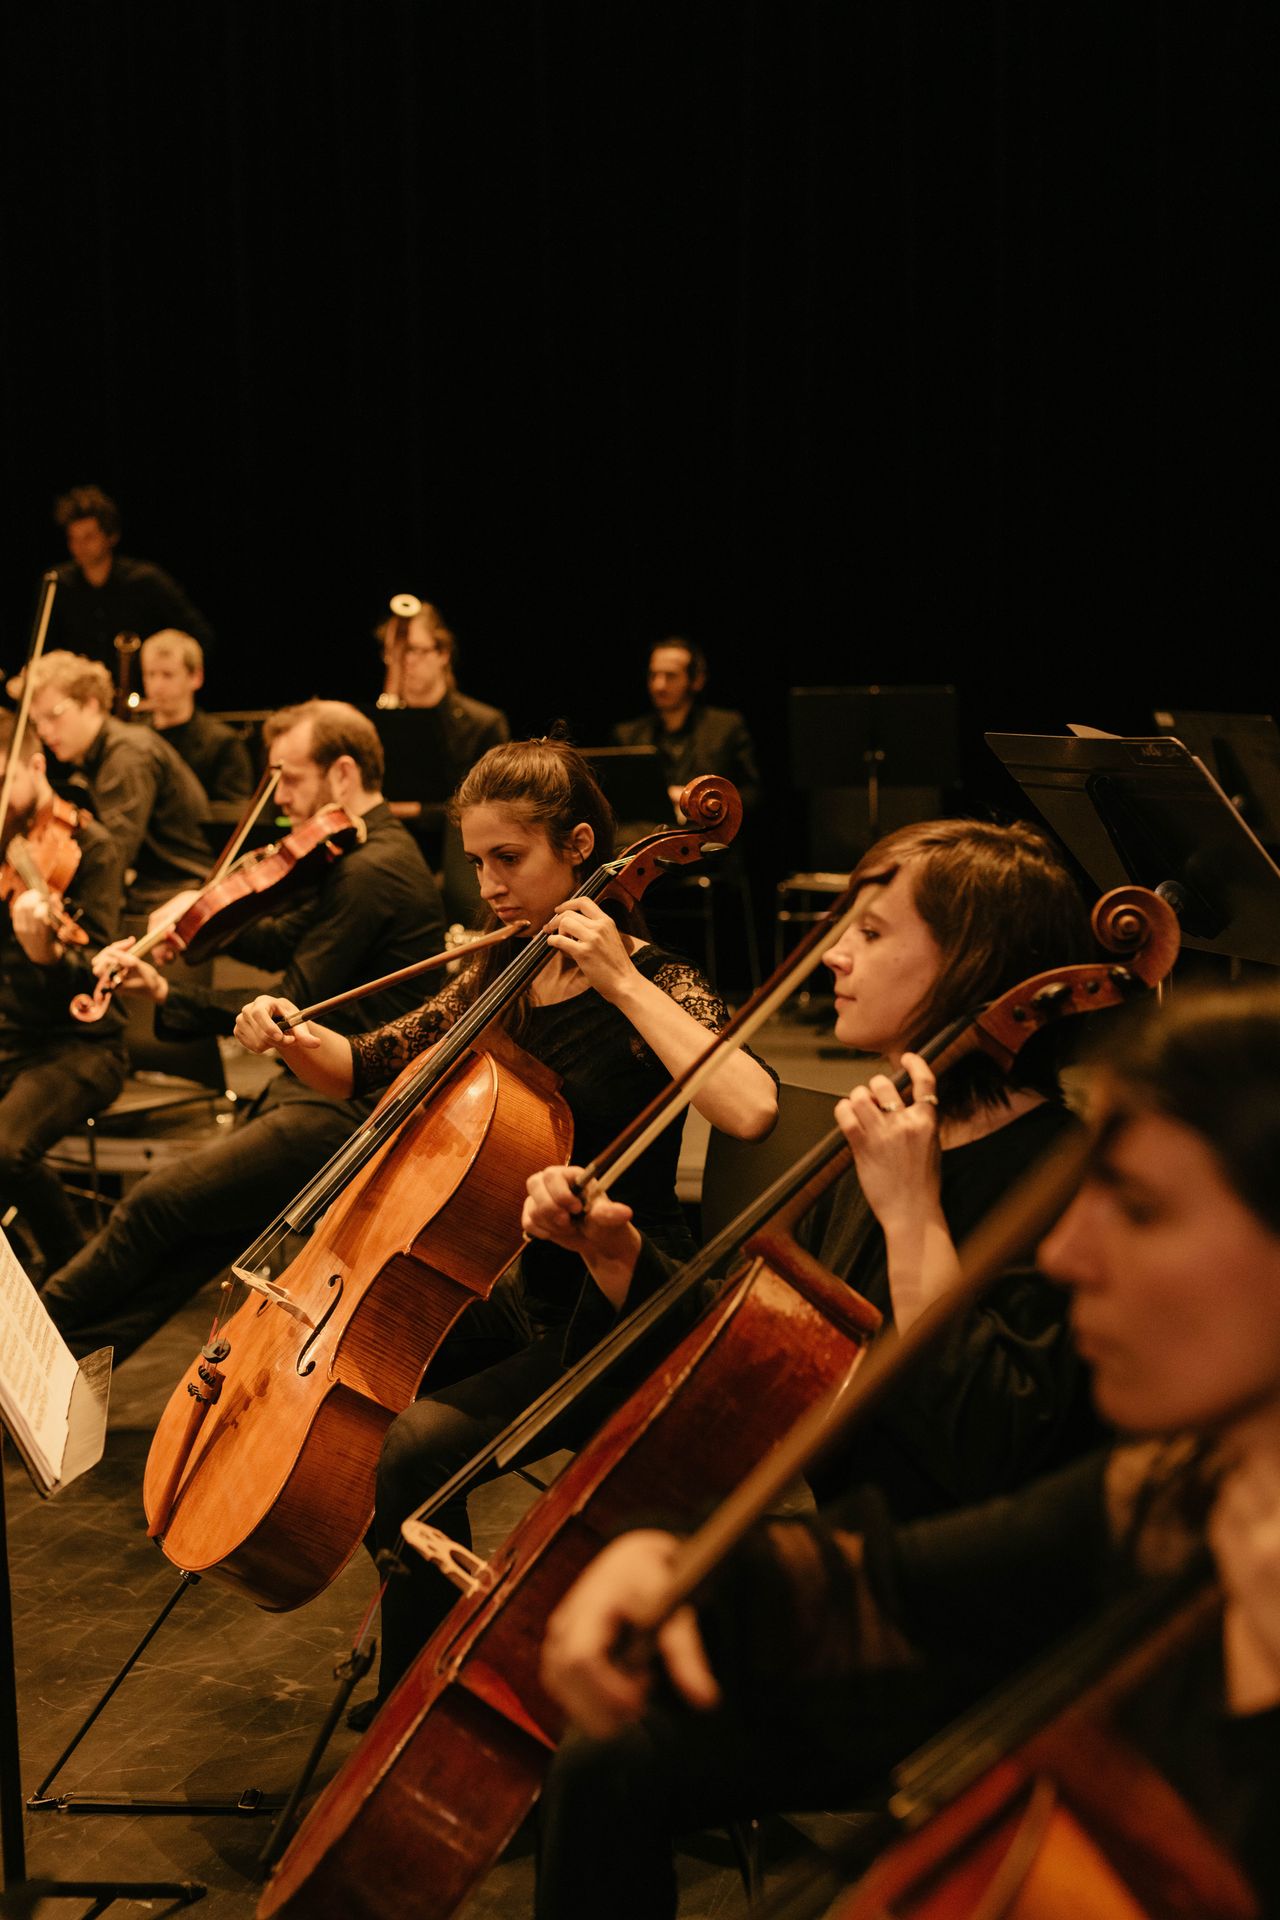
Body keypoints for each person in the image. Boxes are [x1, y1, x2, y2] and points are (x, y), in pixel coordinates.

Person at [535, 984, 1280, 1919]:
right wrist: (667, 1560)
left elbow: (981, 1448)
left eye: (1137, 1210)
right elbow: (905, 1580)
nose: (1066, 1256)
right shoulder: (1184, 1491)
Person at [232, 738, 780, 1723]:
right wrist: (286, 1032)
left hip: (626, 1304)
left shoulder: (655, 977)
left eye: (507, 860)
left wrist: (619, 978)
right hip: (526, 1292)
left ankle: (436, 1699)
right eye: (475, 861)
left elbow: (750, 1105)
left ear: (578, 848)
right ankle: (436, 1648)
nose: (485, 884)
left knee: (412, 1451)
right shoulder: (505, 977)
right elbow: (368, 1066)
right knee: (356, 1403)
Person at [525, 818, 1106, 1529]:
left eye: (872, 933)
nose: (834, 955)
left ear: (971, 962)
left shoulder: (1062, 1176)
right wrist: (614, 1253)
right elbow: (763, 1349)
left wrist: (911, 1216)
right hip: (854, 1548)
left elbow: (990, 1449)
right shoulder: (885, 1121)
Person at [40, 700, 446, 1363]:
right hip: (317, 1098)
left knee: (153, 1205)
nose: (280, 803)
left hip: (345, 1111)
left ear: (343, 775)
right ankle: (57, 1376)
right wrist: (192, 918)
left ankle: (17, 1348)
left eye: (290, 781)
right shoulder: (355, 856)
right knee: (189, 1244)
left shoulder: (375, 872)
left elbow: (294, 1005)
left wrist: (175, 990)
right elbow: (287, 936)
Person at [0, 713, 127, 1276]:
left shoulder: (92, 846)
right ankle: (18, 1269)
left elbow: (97, 972)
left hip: (81, 1044)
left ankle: (79, 1279)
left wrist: (47, 956)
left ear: (35, 765)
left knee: (3, 1151)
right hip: (10, 1037)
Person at [27, 651, 212, 915]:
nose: (44, 731)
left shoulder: (129, 755)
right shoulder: (87, 763)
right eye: (37, 722)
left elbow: (112, 857)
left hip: (176, 895)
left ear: (90, 704)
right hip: (148, 891)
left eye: (53, 715)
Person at [371, 597, 509, 890]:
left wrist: (408, 810)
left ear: (442, 653)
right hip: (388, 856)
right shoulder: (376, 724)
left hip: (458, 863)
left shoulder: (483, 723)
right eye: (394, 653)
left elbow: (492, 808)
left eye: (413, 651)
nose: (403, 663)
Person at [47, 485, 215, 667]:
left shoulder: (145, 580)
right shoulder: (57, 583)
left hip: (145, 692)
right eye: (73, 538)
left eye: (89, 537)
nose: (80, 546)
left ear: (111, 536)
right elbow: (45, 650)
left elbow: (199, 635)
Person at [611, 637, 761, 821]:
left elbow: (751, 793)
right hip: (647, 840)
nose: (659, 685)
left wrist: (700, 800)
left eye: (671, 676)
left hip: (711, 842)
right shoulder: (627, 735)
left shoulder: (727, 727)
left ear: (696, 680)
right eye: (653, 675)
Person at [140, 630, 253, 805]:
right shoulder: (135, 737)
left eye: (168, 675)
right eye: (150, 674)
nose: (157, 686)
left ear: (196, 677)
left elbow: (230, 816)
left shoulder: (223, 744)